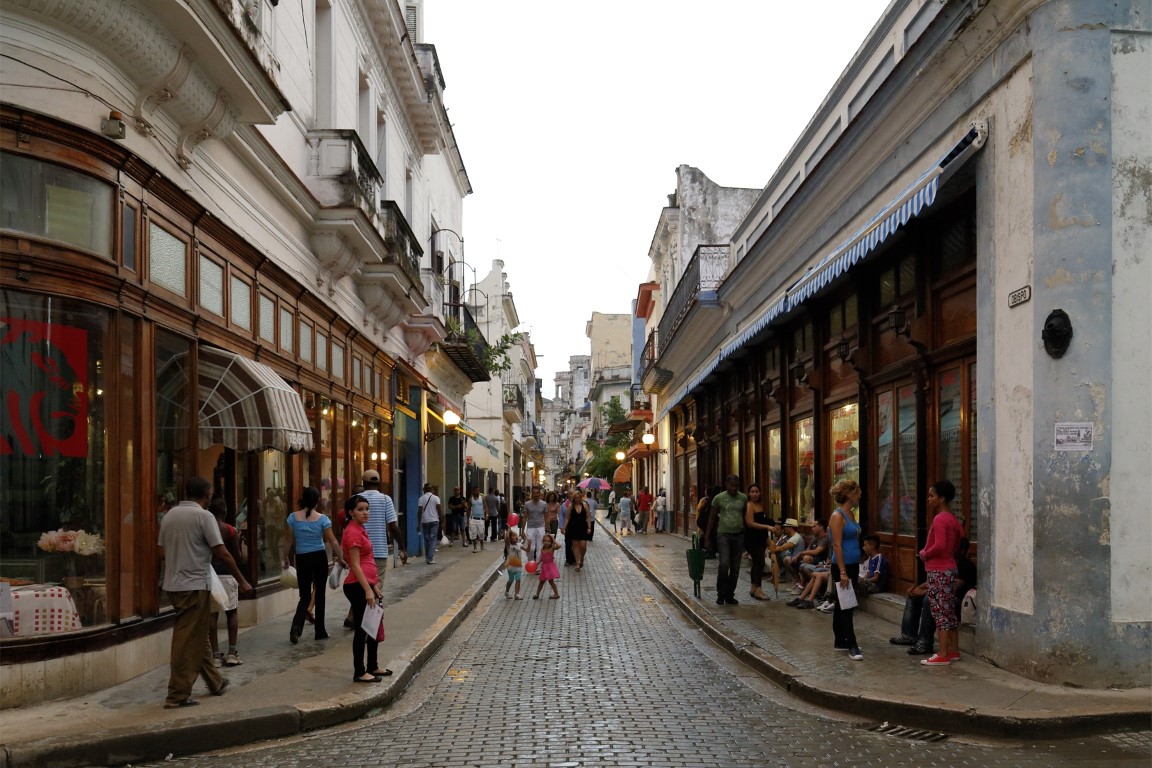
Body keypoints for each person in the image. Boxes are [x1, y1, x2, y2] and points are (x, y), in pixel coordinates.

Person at [158, 477, 251, 708]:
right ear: (206, 495)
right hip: (195, 584)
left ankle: (215, 681)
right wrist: (241, 580)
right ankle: (177, 694)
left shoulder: (170, 515)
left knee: (198, 636)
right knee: (186, 640)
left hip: (173, 584)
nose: (211, 496)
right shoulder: (204, 516)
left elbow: (161, 552)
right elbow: (222, 552)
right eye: (210, 493)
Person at [285, 486, 345, 644]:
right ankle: (320, 631)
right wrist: (342, 558)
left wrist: (285, 558)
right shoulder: (323, 519)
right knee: (319, 595)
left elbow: (288, 541)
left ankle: (296, 628)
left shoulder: (292, 518)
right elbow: (332, 541)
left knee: (304, 596)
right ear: (317, 501)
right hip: (319, 557)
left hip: (302, 558)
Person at [340, 494, 390, 683]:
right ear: (351, 512)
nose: (365, 512)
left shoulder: (361, 529)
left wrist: (374, 586)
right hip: (356, 586)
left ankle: (373, 666)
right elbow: (355, 565)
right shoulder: (352, 532)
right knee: (362, 629)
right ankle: (360, 671)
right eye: (360, 509)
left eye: (367, 509)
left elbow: (366, 560)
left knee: (373, 625)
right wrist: (367, 590)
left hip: (366, 585)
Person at [919, 480, 965, 666]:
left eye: (932, 496)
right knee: (948, 611)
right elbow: (959, 542)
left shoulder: (940, 519)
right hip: (949, 567)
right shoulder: (953, 519)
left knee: (939, 611)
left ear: (942, 498)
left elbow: (938, 545)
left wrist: (924, 553)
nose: (929, 499)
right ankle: (953, 650)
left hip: (938, 569)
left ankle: (943, 653)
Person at [828, 479, 864, 660]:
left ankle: (840, 641)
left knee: (842, 604)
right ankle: (852, 643)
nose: (859, 496)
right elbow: (836, 545)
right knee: (847, 605)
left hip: (853, 564)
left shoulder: (851, 514)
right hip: (842, 566)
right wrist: (842, 571)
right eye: (857, 493)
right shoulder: (838, 516)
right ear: (850, 494)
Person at [207, 498, 242, 667]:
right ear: (224, 512)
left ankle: (215, 655)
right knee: (232, 612)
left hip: (211, 574)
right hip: (228, 574)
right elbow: (237, 557)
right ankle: (232, 652)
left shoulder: (206, 529)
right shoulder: (230, 530)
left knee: (212, 615)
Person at [704, 475, 748, 605]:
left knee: (735, 567)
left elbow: (745, 516)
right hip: (723, 534)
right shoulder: (719, 498)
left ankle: (730, 595)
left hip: (738, 535)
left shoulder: (743, 498)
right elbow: (711, 518)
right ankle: (720, 594)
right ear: (726, 484)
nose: (734, 488)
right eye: (731, 485)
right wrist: (706, 538)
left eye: (736, 486)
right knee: (724, 564)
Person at [360, 470, 406, 579]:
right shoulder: (386, 499)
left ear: (363, 482)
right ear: (379, 483)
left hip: (359, 551)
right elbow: (393, 526)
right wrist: (402, 547)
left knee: (361, 585)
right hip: (379, 551)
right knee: (376, 585)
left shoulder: (355, 499)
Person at [743, 483, 774, 601]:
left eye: (757, 491)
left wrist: (766, 537)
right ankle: (759, 589)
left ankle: (754, 587)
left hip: (760, 538)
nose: (755, 494)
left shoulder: (760, 505)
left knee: (757, 562)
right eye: (752, 492)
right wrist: (767, 526)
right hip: (752, 538)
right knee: (760, 562)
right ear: (748, 493)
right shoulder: (749, 506)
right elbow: (750, 523)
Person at [563, 489, 592, 571]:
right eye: (575, 498)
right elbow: (567, 518)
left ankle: (582, 557)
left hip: (583, 527)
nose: (577, 499)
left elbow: (588, 517)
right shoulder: (570, 507)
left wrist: (589, 527)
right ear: (573, 498)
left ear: (581, 497)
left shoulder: (584, 505)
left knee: (583, 546)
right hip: (573, 527)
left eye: (579, 497)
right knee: (575, 546)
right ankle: (578, 563)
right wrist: (564, 528)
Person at [417, 483, 443, 565]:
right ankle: (430, 558)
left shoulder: (421, 499)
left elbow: (420, 511)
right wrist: (442, 521)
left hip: (425, 521)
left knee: (426, 539)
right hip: (434, 521)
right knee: (433, 539)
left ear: (424, 490)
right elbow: (439, 510)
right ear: (432, 490)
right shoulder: (436, 498)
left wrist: (418, 523)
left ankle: (427, 557)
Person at [521, 485, 548, 562]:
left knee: (540, 547)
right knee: (531, 548)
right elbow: (524, 518)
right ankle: (530, 561)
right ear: (532, 493)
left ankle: (538, 565)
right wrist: (522, 531)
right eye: (534, 493)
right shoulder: (527, 504)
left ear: (540, 493)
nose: (536, 494)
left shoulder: (544, 504)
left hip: (540, 527)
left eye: (537, 493)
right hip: (530, 527)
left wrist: (547, 529)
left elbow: (546, 517)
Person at [532, 533, 562, 599]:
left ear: (551, 542)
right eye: (545, 541)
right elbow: (542, 558)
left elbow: (559, 546)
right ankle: (537, 594)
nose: (546, 542)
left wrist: (553, 540)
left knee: (551, 581)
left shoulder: (551, 549)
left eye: (548, 541)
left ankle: (556, 594)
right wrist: (537, 563)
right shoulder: (542, 549)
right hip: (544, 568)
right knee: (541, 582)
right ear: (543, 541)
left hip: (550, 567)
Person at [695, 485, 721, 558]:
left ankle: (708, 550)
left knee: (708, 535)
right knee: (710, 536)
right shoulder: (712, 501)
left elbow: (699, 510)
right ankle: (710, 551)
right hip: (707, 522)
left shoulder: (706, 500)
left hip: (703, 521)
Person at [504, 529, 529, 600]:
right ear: (510, 538)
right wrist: (508, 529)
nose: (516, 537)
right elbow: (507, 539)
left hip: (518, 566)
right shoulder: (509, 546)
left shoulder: (519, 545)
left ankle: (517, 594)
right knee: (511, 580)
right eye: (514, 535)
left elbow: (527, 550)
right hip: (510, 566)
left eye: (516, 535)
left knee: (518, 579)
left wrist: (529, 544)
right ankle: (507, 591)